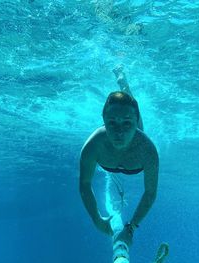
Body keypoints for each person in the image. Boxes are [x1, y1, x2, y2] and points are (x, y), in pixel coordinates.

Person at [79, 65, 159, 251]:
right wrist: (97, 219)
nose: (120, 132)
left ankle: (123, 80)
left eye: (127, 123)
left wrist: (130, 228)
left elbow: (150, 193)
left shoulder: (147, 150)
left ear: (134, 122)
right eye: (112, 123)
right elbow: (84, 184)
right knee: (125, 110)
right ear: (104, 119)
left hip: (137, 136)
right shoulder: (93, 145)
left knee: (129, 99)